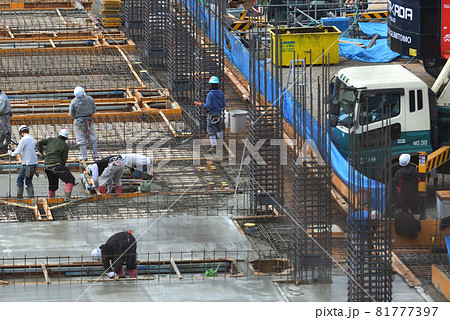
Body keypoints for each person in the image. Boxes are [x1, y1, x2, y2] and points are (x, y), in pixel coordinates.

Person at [37, 129, 75, 201]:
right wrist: (63, 169)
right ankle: (68, 199)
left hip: (47, 167)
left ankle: (51, 200)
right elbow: (64, 159)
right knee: (70, 179)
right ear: (66, 138)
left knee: (52, 185)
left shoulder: (51, 140)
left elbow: (40, 142)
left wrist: (41, 153)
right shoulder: (65, 146)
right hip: (57, 166)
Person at [194, 76, 225, 152]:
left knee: (210, 129)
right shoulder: (221, 93)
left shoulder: (210, 94)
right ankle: (221, 142)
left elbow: (208, 105)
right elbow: (224, 104)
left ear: (210, 85)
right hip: (219, 114)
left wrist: (200, 104)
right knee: (219, 128)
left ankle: (214, 146)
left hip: (212, 115)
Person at [68, 86, 99, 161]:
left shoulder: (73, 102)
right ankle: (96, 154)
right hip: (88, 121)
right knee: (92, 137)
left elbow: (71, 113)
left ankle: (84, 156)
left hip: (79, 122)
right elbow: (94, 109)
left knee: (81, 139)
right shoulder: (89, 99)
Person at [9, 125, 38, 198]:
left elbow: (17, 151)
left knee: (19, 180)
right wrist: (14, 149)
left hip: (27, 165)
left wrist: (11, 153)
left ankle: (19, 197)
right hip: (33, 164)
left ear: (21, 132)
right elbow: (23, 150)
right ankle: (31, 198)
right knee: (28, 181)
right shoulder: (31, 139)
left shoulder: (23, 139)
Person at [393, 153, 421, 218]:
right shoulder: (415, 170)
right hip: (414, 194)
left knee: (404, 211)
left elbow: (397, 184)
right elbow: (419, 180)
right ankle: (417, 223)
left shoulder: (398, 173)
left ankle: (406, 224)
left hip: (403, 195)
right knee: (415, 210)